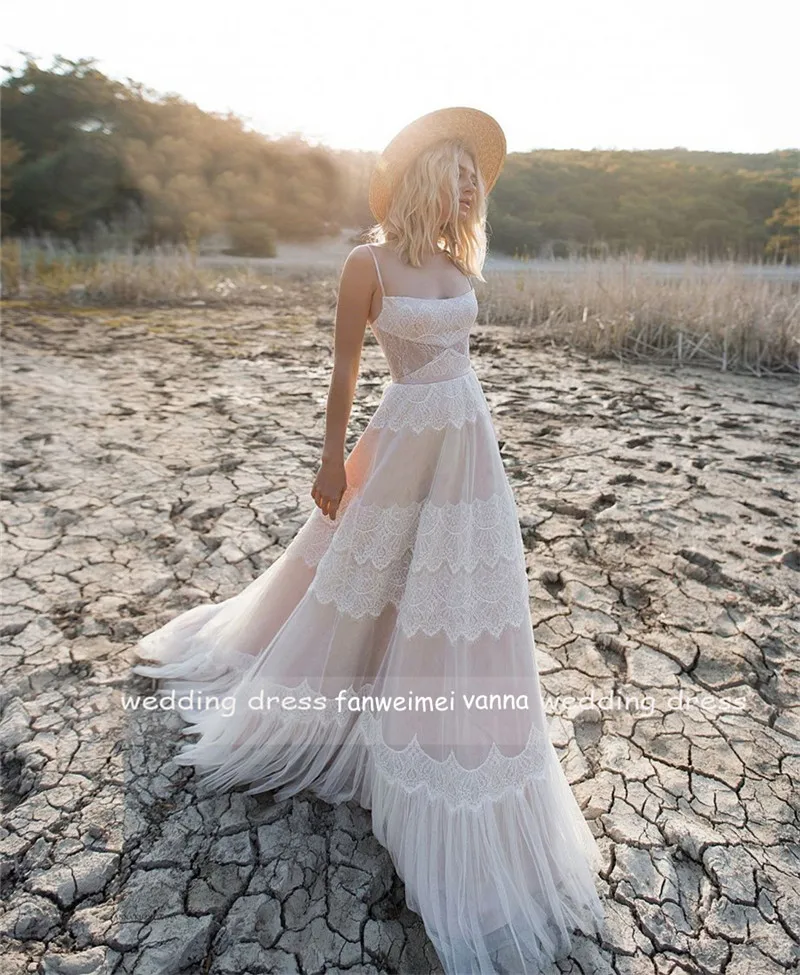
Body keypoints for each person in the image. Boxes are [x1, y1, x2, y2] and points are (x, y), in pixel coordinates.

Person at [132, 106, 606, 974]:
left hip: (466, 443)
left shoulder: (461, 259)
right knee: (367, 577)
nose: (472, 183)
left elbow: (458, 356)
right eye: (460, 168)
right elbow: (347, 368)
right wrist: (328, 460)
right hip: (402, 436)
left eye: (476, 172)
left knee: (460, 596)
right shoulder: (366, 262)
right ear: (425, 172)